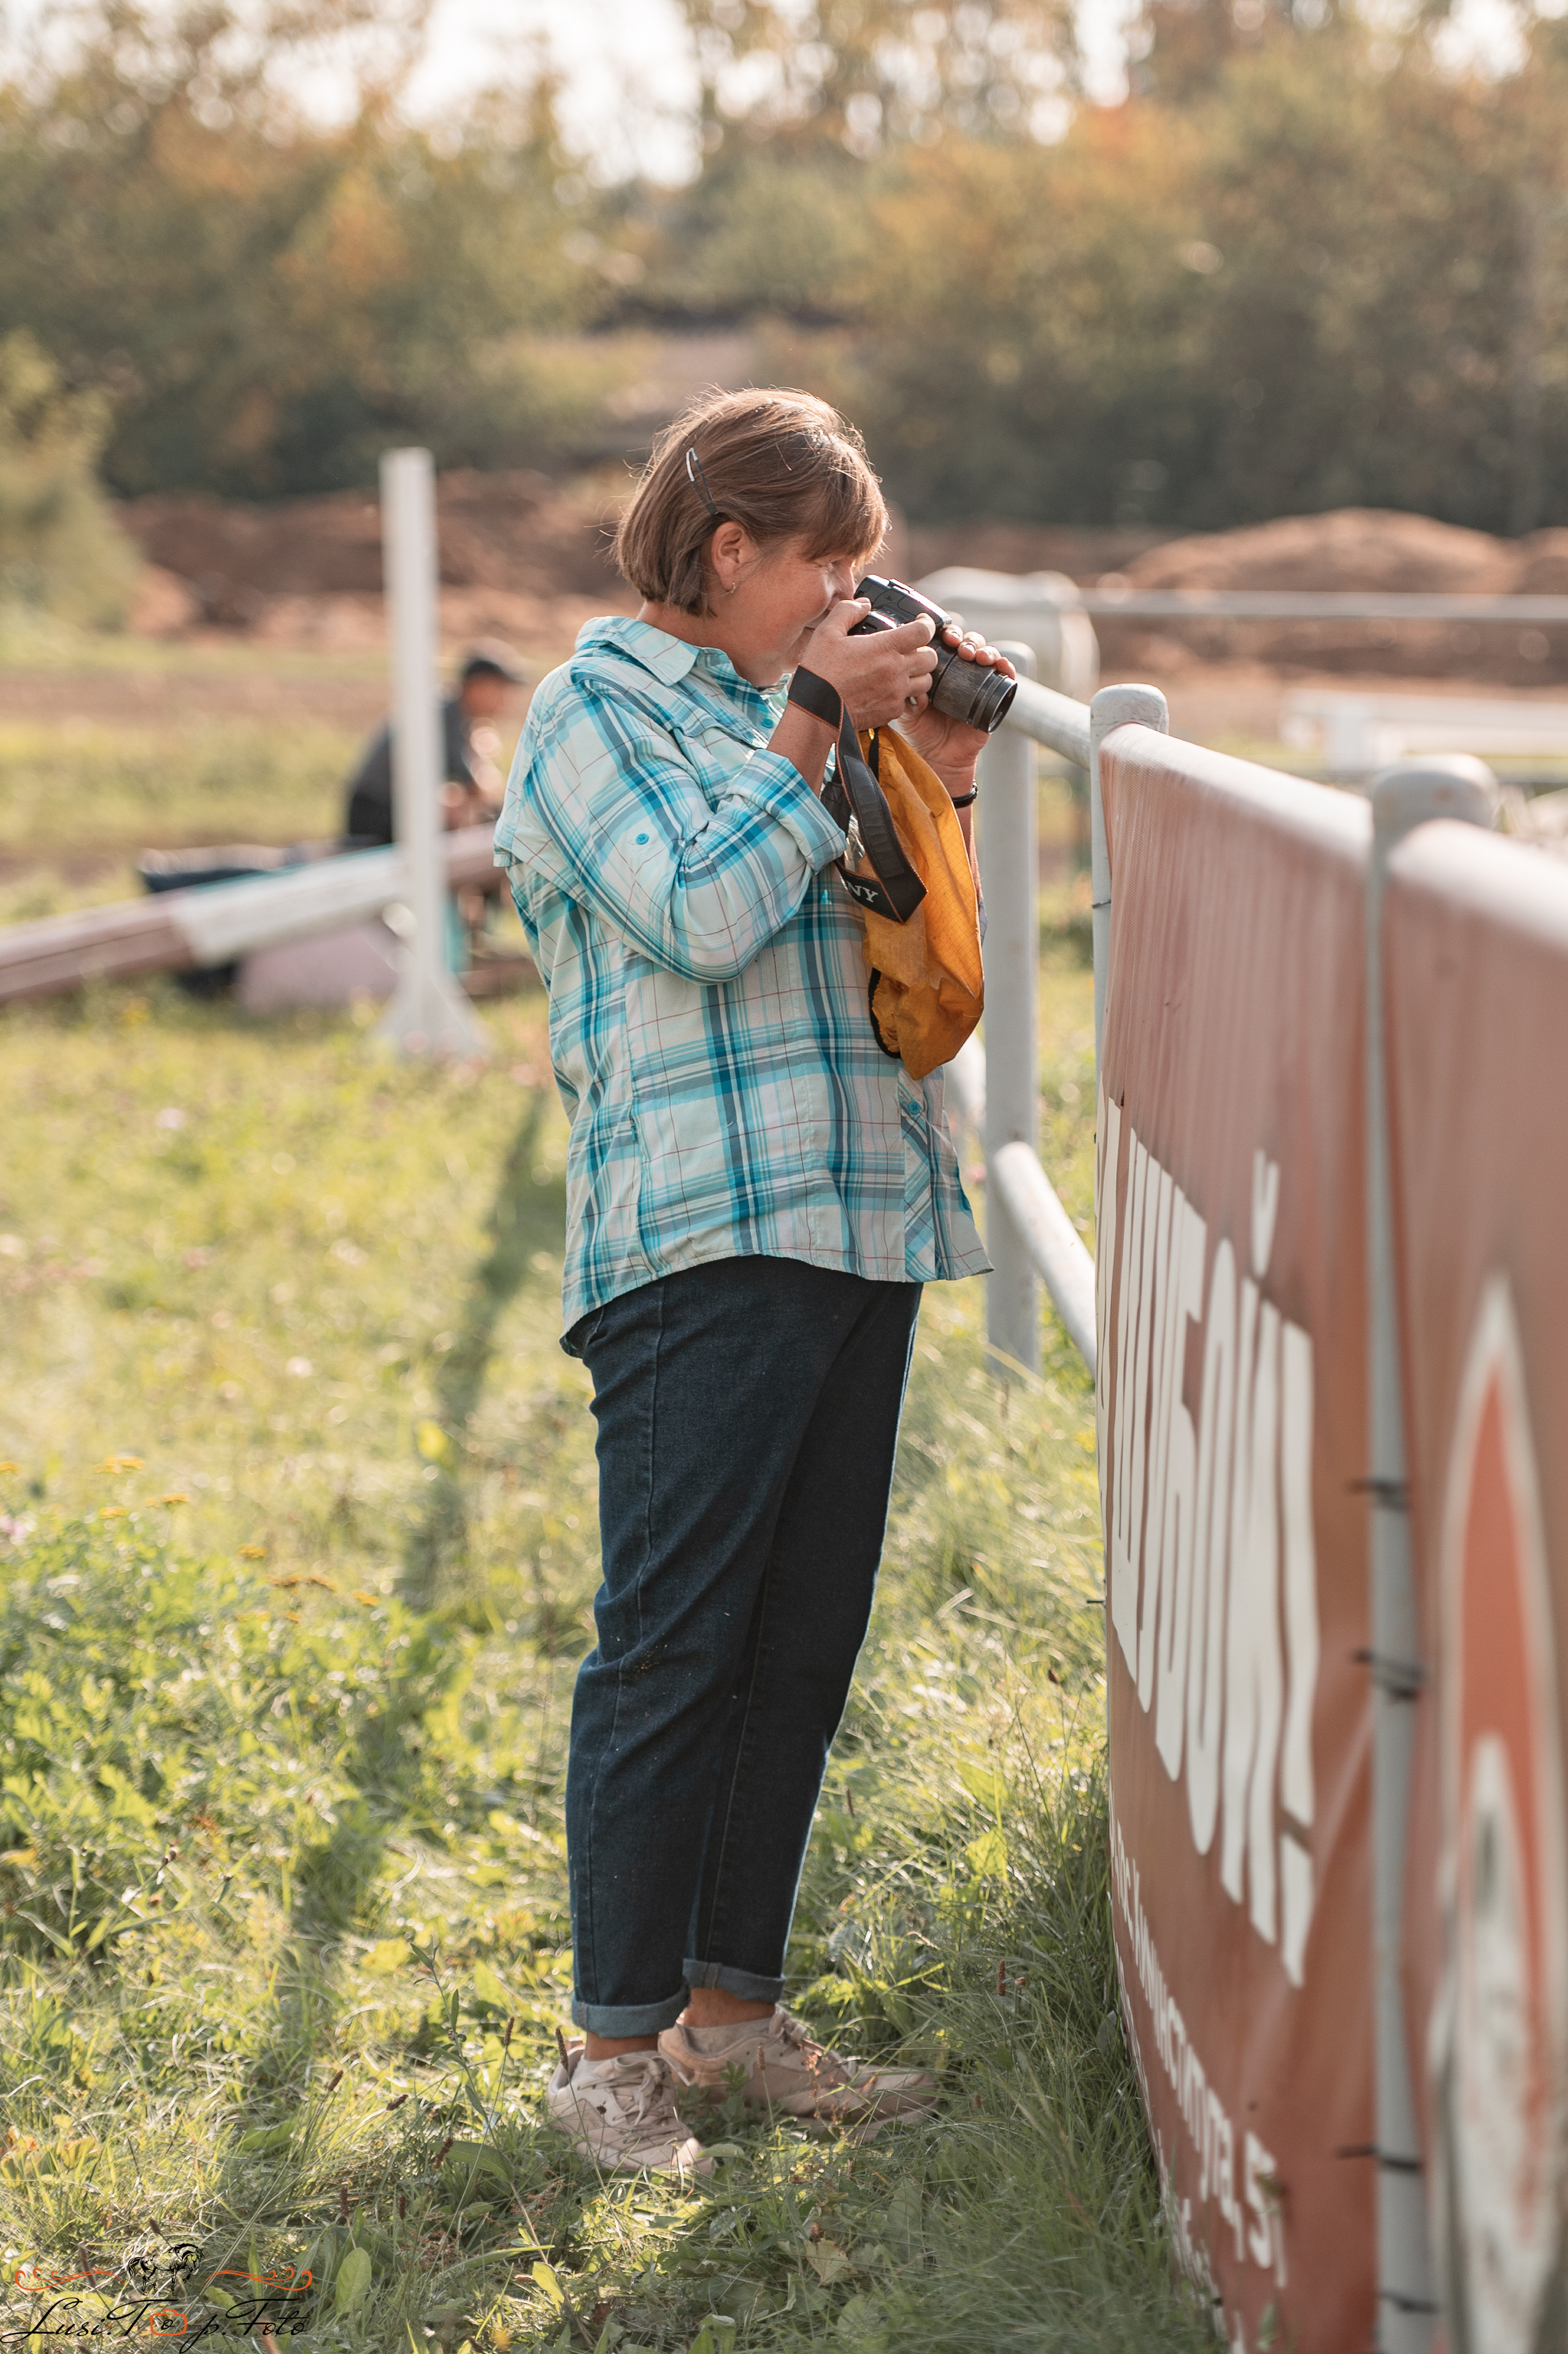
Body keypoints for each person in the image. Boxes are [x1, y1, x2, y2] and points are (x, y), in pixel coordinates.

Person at [494, 388, 1015, 2180]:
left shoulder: (782, 706)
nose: (846, 605)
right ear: (728, 551)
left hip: (860, 1214)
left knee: (796, 1645)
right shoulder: (595, 712)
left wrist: (933, 763)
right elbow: (704, 917)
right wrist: (814, 719)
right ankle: (608, 2056)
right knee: (674, 1648)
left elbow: (903, 968)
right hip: (699, 1236)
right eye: (826, 570)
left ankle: (728, 2025)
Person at [342, 641, 527, 847]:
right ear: (478, 687)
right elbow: (473, 785)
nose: (505, 700)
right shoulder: (444, 714)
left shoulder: (452, 712)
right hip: (377, 815)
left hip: (392, 809)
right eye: (500, 689)